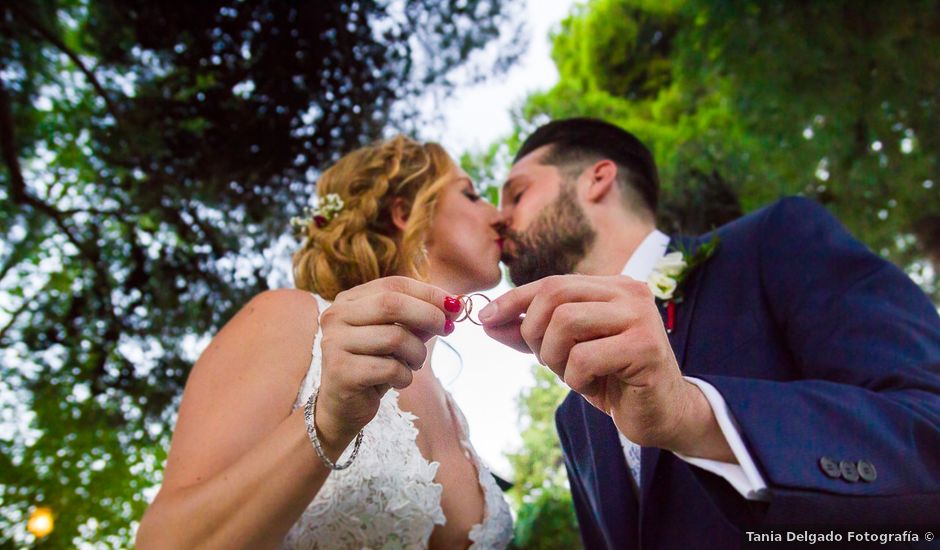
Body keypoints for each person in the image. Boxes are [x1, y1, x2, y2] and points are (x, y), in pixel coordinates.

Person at [480, 117, 940, 548]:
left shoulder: (773, 242)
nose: (498, 221)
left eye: (516, 195)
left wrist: (695, 416)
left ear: (597, 179)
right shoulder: (572, 414)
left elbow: (927, 426)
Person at [136, 135, 513, 549]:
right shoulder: (291, 319)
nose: (499, 218)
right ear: (405, 213)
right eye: (472, 195)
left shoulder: (455, 412)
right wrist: (327, 420)